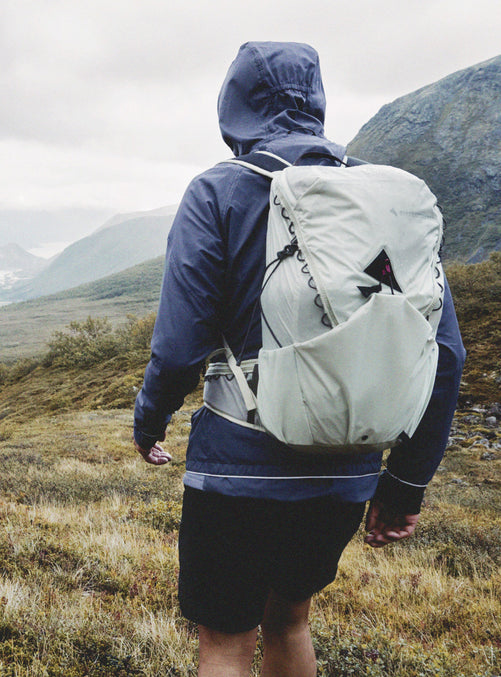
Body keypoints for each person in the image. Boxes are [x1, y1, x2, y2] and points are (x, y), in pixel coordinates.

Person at [134, 42, 465, 677]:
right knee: (290, 620)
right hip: (347, 470)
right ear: (317, 101)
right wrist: (405, 484)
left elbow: (178, 346)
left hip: (238, 466)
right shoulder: (385, 200)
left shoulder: (219, 191)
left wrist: (150, 422)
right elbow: (444, 353)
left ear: (233, 104)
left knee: (225, 640)